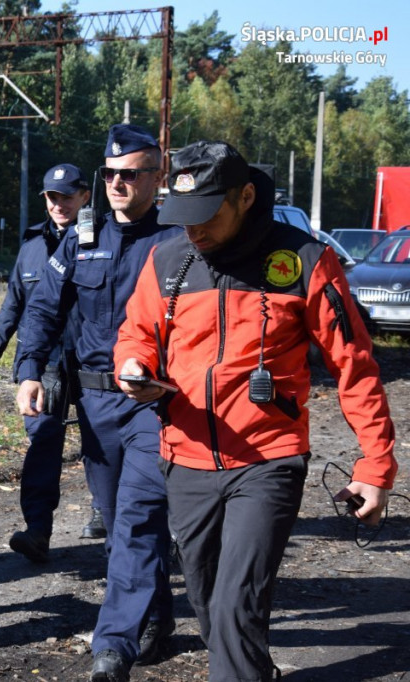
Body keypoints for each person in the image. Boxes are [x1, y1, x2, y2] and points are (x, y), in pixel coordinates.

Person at [115, 140, 398, 682]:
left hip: (269, 460)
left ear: (245, 196)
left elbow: (354, 366)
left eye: (205, 215)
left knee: (234, 606)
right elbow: (138, 333)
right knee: (208, 606)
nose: (192, 231)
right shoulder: (168, 258)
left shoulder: (306, 261)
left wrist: (376, 466)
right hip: (186, 458)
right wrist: (133, 365)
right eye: (183, 218)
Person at [15, 124, 179, 681]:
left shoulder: (178, 243)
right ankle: (157, 618)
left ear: (158, 177)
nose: (116, 183)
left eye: (129, 174)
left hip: (153, 405)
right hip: (94, 403)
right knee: (118, 520)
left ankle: (114, 645)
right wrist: (29, 369)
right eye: (109, 174)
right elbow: (44, 308)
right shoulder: (82, 239)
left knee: (137, 518)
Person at [0, 163, 91, 562]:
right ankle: (37, 530)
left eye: (68, 196)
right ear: (45, 200)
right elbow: (14, 305)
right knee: (43, 440)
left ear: (85, 197)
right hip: (44, 364)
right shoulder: (31, 247)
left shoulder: (104, 241)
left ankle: (103, 511)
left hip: (93, 358)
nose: (60, 204)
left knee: (101, 442)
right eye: (52, 197)